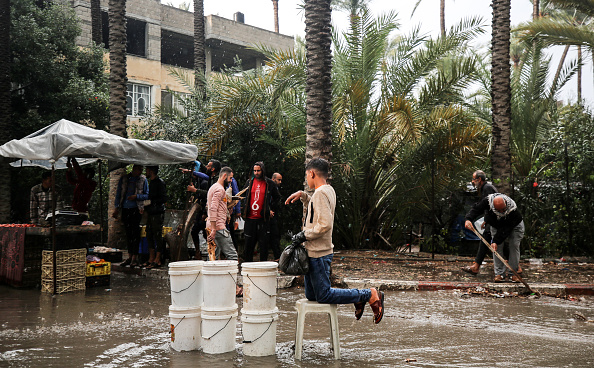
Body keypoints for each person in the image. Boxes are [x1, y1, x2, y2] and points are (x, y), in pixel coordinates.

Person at [285, 158, 384, 323]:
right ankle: (358, 298)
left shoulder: (320, 193)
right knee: (311, 295)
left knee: (323, 295)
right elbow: (318, 211)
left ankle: (369, 294)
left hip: (319, 253)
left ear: (312, 173)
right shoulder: (327, 190)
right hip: (314, 252)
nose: (306, 179)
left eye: (306, 176)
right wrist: (303, 196)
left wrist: (303, 235)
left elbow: (324, 224)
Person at [464, 193, 524, 283]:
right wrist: (468, 219)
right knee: (496, 248)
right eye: (498, 210)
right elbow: (476, 209)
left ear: (506, 204)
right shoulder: (487, 201)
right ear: (493, 208)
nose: (501, 212)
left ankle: (514, 273)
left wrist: (495, 240)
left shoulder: (513, 211)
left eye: (503, 209)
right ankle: (499, 274)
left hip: (514, 226)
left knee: (514, 245)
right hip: (496, 225)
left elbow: (506, 229)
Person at [206, 166, 242, 296]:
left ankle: (213, 287)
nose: (231, 181)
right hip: (218, 228)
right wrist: (215, 229)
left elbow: (213, 207)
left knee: (213, 258)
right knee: (232, 256)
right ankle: (234, 287)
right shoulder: (219, 190)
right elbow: (213, 208)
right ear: (224, 176)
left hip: (212, 226)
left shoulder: (213, 188)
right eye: (230, 178)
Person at [461, 170, 498, 275]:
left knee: (494, 241)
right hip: (492, 220)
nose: (472, 182)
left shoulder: (487, 188)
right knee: (487, 240)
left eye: (474, 179)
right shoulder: (485, 188)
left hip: (495, 221)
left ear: (479, 179)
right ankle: (476, 266)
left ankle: (476, 266)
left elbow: (487, 205)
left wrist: (469, 218)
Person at [242, 161, 280, 262]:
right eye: (254, 170)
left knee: (263, 245)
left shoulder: (269, 183)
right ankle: (247, 267)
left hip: (263, 218)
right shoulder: (249, 182)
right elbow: (243, 196)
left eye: (258, 170)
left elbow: (277, 197)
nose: (256, 173)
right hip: (250, 218)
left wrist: (270, 208)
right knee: (248, 244)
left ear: (262, 170)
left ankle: (262, 266)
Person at [184, 159, 221, 260]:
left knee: (206, 233)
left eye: (209, 166)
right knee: (199, 231)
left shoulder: (208, 181)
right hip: (204, 210)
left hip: (208, 211)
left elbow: (209, 195)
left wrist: (195, 191)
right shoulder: (208, 179)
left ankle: (213, 254)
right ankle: (201, 253)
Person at [113, 164, 149, 268]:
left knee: (135, 233)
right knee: (128, 233)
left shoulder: (143, 180)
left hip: (137, 209)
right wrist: (117, 207)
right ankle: (129, 256)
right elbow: (119, 194)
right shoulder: (124, 179)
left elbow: (147, 194)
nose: (140, 171)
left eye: (142, 169)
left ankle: (135, 257)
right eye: (139, 169)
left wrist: (136, 196)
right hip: (125, 209)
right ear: (134, 169)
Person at [143, 166, 167, 269]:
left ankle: (158, 258)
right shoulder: (150, 182)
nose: (146, 172)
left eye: (147, 170)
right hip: (150, 212)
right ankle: (151, 257)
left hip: (157, 212)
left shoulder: (160, 182)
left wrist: (151, 202)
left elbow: (163, 198)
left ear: (151, 171)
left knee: (157, 235)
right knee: (149, 234)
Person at [267, 172, 283, 261]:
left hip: (275, 214)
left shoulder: (275, 188)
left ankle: (277, 255)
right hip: (270, 213)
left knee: (275, 235)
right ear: (273, 179)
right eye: (279, 180)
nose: (280, 182)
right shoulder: (270, 187)